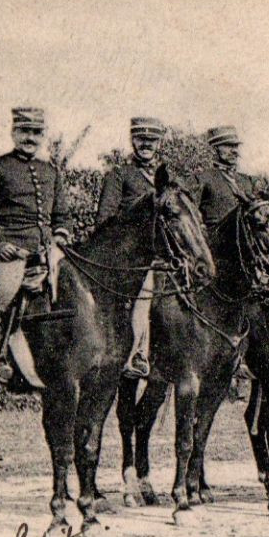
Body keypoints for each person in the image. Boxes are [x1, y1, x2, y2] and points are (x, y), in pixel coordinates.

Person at [0, 105, 72, 383]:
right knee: (7, 290)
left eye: (36, 133)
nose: (30, 138)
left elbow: (61, 214)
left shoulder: (50, 171)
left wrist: (59, 236)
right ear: (14, 132)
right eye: (25, 131)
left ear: (43, 136)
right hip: (11, 251)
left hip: (46, 251)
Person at [96, 116, 165, 378]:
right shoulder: (120, 175)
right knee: (145, 294)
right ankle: (138, 353)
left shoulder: (164, 178)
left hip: (163, 255)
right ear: (132, 140)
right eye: (140, 139)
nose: (146, 144)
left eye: (152, 140)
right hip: (131, 258)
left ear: (159, 143)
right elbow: (104, 220)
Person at [197, 125, 258, 230]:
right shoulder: (202, 178)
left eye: (236, 146)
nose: (235, 151)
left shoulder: (247, 181)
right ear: (214, 149)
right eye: (229, 146)